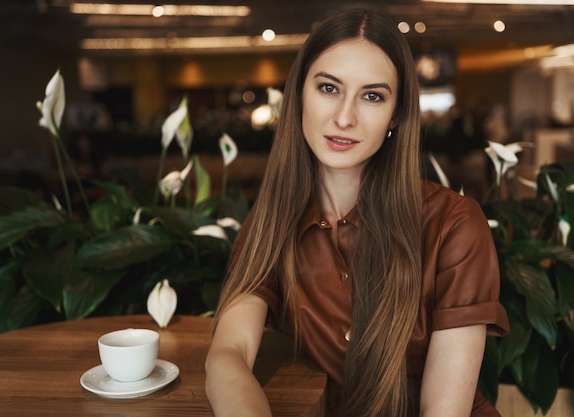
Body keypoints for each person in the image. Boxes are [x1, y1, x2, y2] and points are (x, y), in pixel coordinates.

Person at [205, 8, 509, 417]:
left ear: (396, 115)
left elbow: (443, 411)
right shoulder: (272, 221)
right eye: (329, 88)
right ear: (299, 95)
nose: (345, 117)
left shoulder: (453, 224)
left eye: (372, 96)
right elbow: (228, 353)